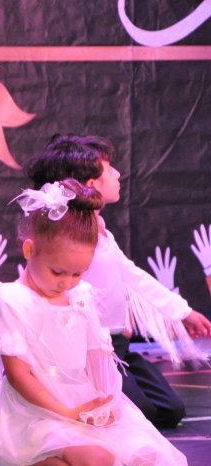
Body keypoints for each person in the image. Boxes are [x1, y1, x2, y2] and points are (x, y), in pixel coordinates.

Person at [0, 180, 188, 466]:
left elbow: (98, 359)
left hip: (81, 404)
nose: (67, 282)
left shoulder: (80, 296)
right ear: (30, 249)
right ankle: (26, 458)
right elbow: (18, 375)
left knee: (147, 456)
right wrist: (67, 413)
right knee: (96, 462)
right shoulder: (11, 299)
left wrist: (106, 402)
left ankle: (82, 443)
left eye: (78, 273)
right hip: (36, 411)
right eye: (57, 272)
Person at [26, 135, 211, 428]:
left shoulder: (100, 228)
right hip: (89, 348)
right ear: (92, 183)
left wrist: (183, 312)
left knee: (170, 410)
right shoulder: (69, 238)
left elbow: (131, 276)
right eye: (109, 168)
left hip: (118, 346)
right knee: (136, 415)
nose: (118, 173)